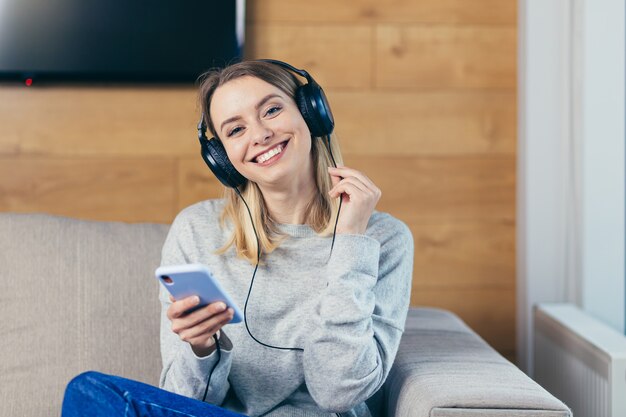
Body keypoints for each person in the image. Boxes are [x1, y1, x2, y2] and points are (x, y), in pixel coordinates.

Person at [61, 59, 414, 417]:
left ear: (312, 113)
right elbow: (182, 403)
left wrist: (351, 241)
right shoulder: (197, 229)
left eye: (272, 110)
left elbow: (338, 392)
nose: (259, 134)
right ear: (222, 159)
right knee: (90, 393)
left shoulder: (382, 238)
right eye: (235, 130)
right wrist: (202, 348)